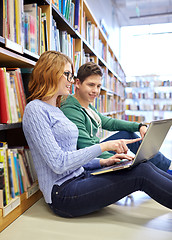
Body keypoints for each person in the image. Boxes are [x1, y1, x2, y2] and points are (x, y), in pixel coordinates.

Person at [22, 51, 172, 218]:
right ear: (50, 72)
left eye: (71, 75)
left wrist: (102, 162)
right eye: (67, 74)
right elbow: (59, 163)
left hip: (81, 176)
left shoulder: (55, 109)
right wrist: (103, 147)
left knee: (141, 165)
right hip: (62, 193)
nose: (71, 80)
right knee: (141, 174)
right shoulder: (35, 110)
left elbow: (72, 155)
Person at [60, 61, 172, 174]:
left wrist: (139, 126)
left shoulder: (87, 106)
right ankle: (166, 172)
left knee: (128, 134)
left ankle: (168, 167)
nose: (96, 91)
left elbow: (110, 123)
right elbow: (87, 148)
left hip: (98, 149)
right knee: (141, 167)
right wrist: (121, 160)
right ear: (78, 83)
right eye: (91, 85)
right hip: (90, 159)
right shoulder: (71, 110)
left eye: (98, 86)